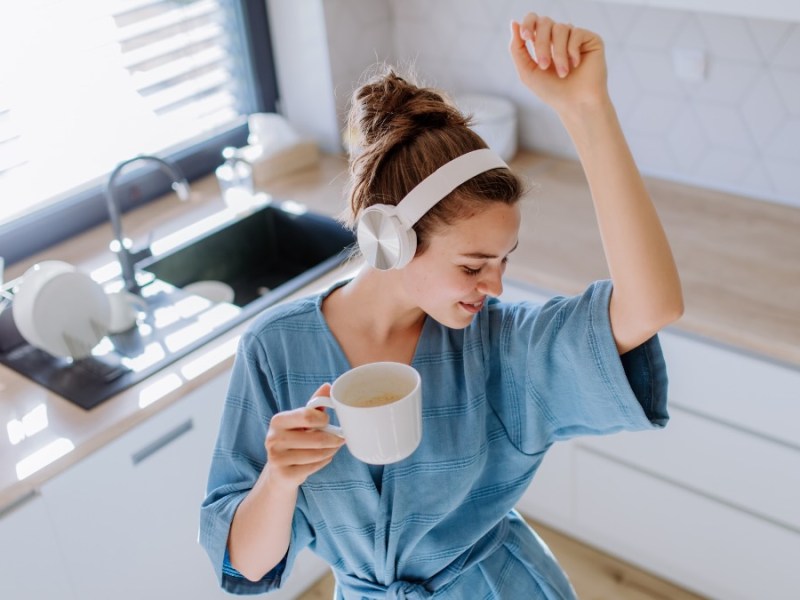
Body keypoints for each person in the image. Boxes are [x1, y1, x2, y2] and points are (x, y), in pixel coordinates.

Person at [200, 12, 683, 600]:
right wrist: (278, 478)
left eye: (504, 262)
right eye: (473, 265)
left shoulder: (501, 348)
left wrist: (588, 110)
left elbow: (651, 306)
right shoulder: (275, 350)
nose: (496, 286)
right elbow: (246, 568)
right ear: (391, 239)